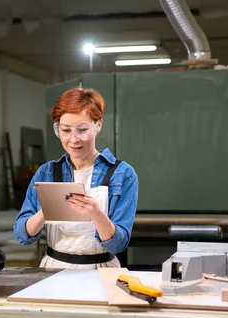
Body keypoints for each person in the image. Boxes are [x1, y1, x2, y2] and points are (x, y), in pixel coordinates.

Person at [13, 87, 138, 270]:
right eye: (65, 130)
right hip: (53, 271)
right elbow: (22, 236)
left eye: (82, 130)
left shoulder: (123, 174)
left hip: (101, 271)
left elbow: (118, 245)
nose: (73, 140)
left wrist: (96, 214)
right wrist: (47, 211)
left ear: (98, 125)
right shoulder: (46, 173)